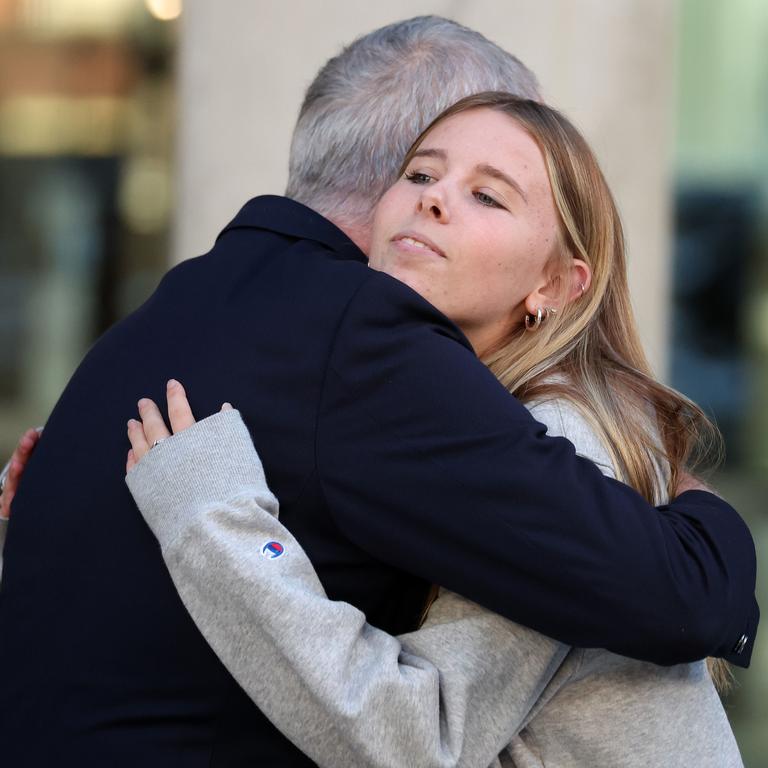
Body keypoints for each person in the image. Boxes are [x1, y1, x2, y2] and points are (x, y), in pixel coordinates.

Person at [0, 16, 756, 768]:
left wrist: (209, 517)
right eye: (421, 173)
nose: (435, 200)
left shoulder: (559, 431)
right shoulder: (399, 373)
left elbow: (421, 737)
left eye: (490, 195)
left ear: (556, 283)